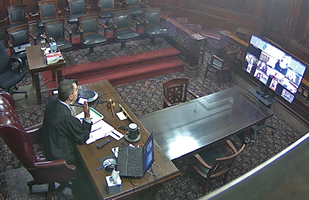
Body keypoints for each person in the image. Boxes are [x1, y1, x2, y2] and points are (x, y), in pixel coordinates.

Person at [40, 79, 97, 199]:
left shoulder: (53, 100)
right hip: (59, 153)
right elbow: (83, 136)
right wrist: (87, 117)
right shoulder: (66, 118)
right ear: (70, 97)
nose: (78, 91)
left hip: (47, 141)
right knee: (89, 156)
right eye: (76, 90)